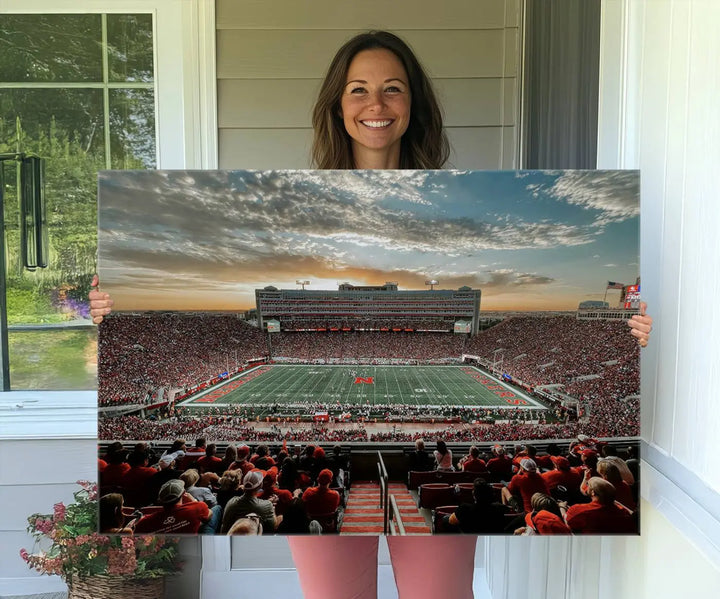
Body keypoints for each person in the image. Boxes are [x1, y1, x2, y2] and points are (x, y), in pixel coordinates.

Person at [89, 29, 653, 599]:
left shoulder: (462, 188)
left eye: (393, 89)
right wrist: (102, 314)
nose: (375, 105)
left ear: (414, 104)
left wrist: (636, 335)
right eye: (358, 89)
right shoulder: (298, 193)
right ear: (337, 105)